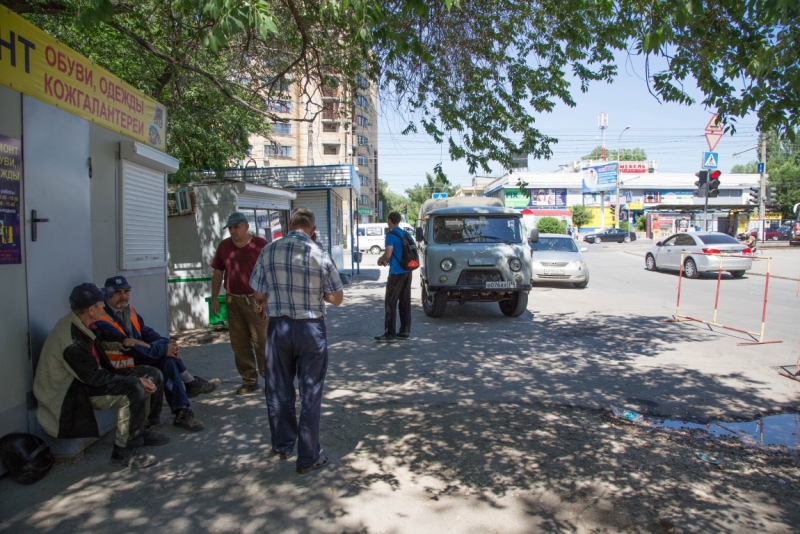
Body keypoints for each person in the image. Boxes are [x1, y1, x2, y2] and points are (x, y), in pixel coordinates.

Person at [33, 283, 169, 469]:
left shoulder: (82, 323)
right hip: (70, 393)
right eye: (100, 304)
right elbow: (94, 378)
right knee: (134, 388)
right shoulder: (72, 341)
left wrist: (124, 340)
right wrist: (134, 380)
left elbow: (102, 335)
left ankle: (141, 430)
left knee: (152, 373)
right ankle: (123, 451)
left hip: (86, 379)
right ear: (91, 309)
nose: (104, 307)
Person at [250, 208, 344, 474]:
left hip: (278, 327)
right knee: (310, 393)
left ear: (290, 224)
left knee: (278, 389)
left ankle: (282, 445)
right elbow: (337, 298)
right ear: (313, 229)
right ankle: (308, 458)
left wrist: (273, 294)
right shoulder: (320, 254)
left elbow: (257, 291)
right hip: (310, 329)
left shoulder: (268, 250)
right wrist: (320, 296)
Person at [94, 276, 219, 432]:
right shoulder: (101, 318)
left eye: (126, 291)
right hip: (121, 366)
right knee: (165, 356)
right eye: (118, 292)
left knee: (168, 360)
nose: (123, 296)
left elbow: (146, 332)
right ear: (107, 295)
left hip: (137, 358)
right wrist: (164, 349)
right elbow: (133, 348)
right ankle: (189, 383)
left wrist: (167, 344)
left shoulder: (129, 310)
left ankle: (182, 411)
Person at [211, 212, 269, 395]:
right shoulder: (224, 246)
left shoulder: (260, 245)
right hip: (232, 300)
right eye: (230, 228)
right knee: (239, 343)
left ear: (246, 226)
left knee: (262, 341)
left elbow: (270, 272)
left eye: (236, 227)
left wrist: (266, 299)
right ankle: (249, 380)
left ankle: (272, 379)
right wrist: (214, 298)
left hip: (255, 300)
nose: (233, 231)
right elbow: (218, 273)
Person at [375, 212, 412, 343]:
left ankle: (390, 334)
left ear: (390, 220)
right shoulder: (405, 233)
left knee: (390, 302)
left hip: (396, 273)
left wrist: (380, 260)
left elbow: (387, 254)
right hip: (407, 271)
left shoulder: (390, 235)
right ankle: (405, 331)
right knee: (404, 301)